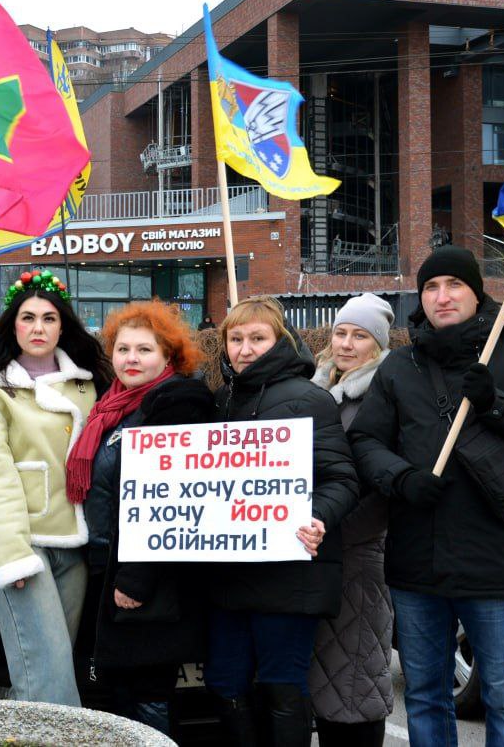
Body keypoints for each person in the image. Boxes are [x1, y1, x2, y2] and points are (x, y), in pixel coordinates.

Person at [349, 245, 504, 746]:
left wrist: (497, 403)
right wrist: (402, 477)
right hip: (416, 564)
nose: (443, 296)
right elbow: (366, 442)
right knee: (426, 696)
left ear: (477, 293)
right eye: (431, 287)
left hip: (496, 562)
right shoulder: (399, 367)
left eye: (454, 284)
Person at [0, 269, 112, 706]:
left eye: (48, 318)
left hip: (75, 542)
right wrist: (13, 556)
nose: (38, 328)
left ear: (63, 325)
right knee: (47, 674)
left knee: (52, 669)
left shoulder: (89, 383)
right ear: (13, 325)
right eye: (27, 318)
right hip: (23, 546)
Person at [207, 295, 359, 747]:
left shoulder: (309, 399)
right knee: (225, 682)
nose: (245, 348)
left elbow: (341, 479)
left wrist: (316, 518)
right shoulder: (219, 402)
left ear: (279, 342)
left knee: (282, 683)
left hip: (291, 573)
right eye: (236, 339)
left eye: (257, 338)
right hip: (228, 576)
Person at [72, 300, 214, 734]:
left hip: (148, 581)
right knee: (119, 694)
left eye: (144, 350)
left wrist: (137, 578)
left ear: (168, 356)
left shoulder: (176, 405)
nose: (131, 358)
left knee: (148, 695)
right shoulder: (109, 407)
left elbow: (170, 503)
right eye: (123, 348)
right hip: (107, 570)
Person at [308, 293, 396, 747]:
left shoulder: (382, 396)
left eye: (359, 336)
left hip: (357, 556)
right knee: (327, 681)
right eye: (341, 332)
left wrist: (333, 532)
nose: (346, 343)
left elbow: (383, 490)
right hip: (318, 550)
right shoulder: (318, 390)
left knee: (355, 679)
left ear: (377, 346)